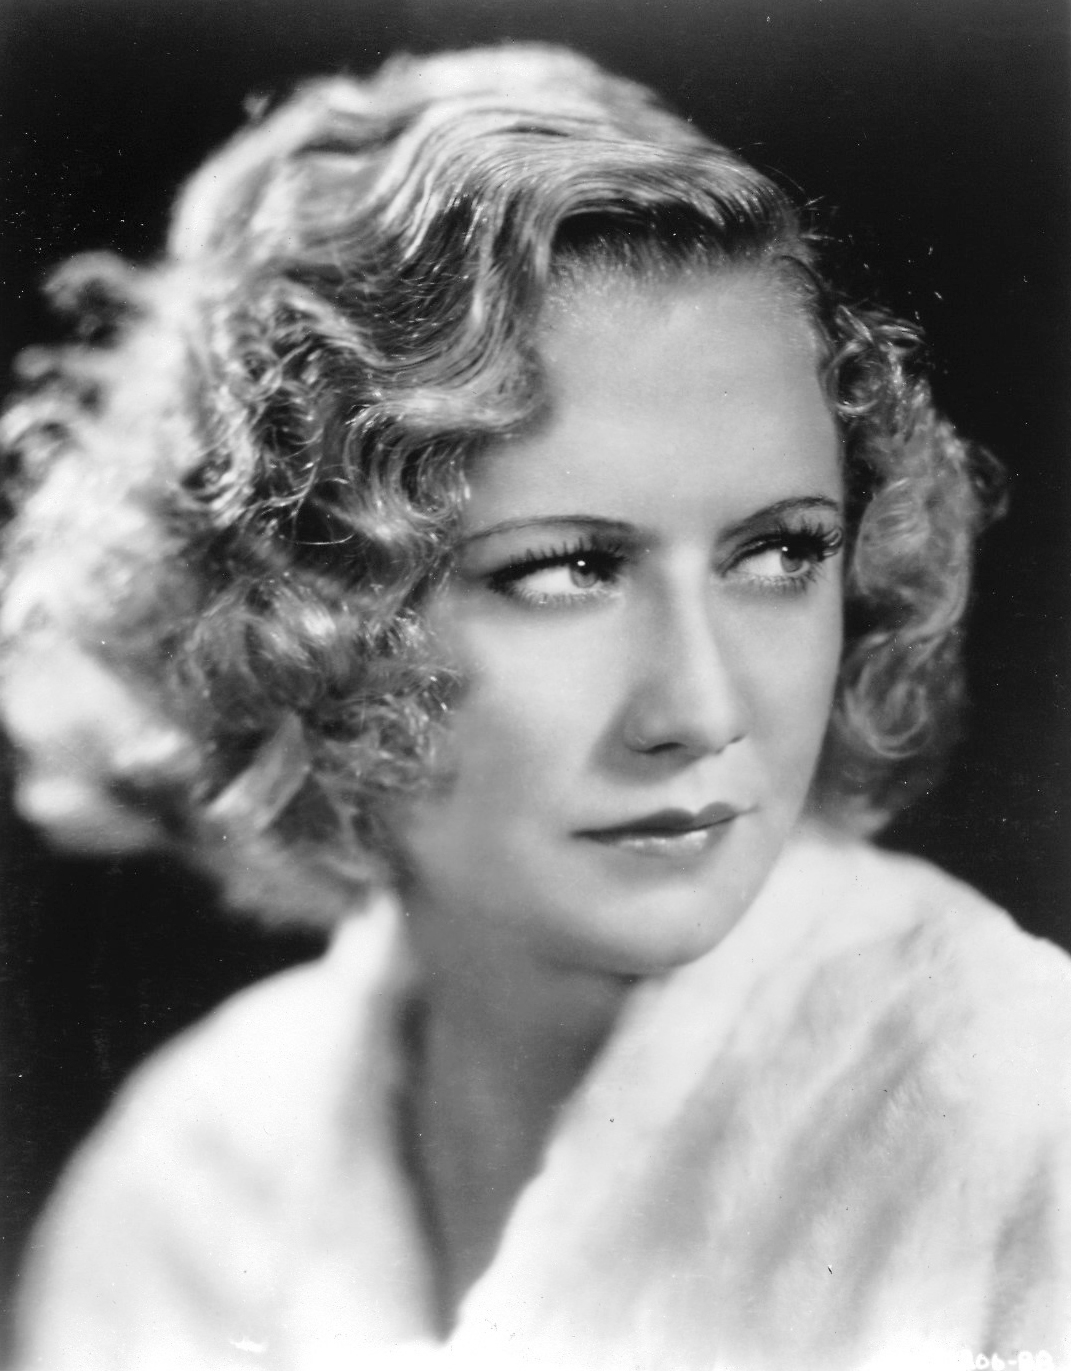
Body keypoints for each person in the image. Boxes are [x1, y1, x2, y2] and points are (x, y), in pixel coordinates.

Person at [1, 42, 1068, 1371]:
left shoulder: (1024, 1129)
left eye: (780, 552)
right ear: (298, 622)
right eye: (569, 570)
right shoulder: (189, 1186)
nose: (701, 708)